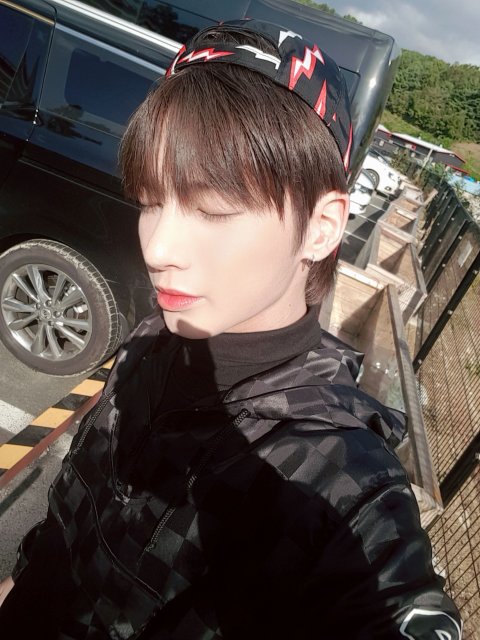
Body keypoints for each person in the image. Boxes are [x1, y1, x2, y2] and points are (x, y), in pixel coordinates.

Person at [0, 19, 462, 640]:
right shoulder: (148, 343)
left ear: (321, 227)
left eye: (214, 210)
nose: (158, 248)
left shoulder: (339, 485)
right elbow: (68, 522)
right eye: (149, 201)